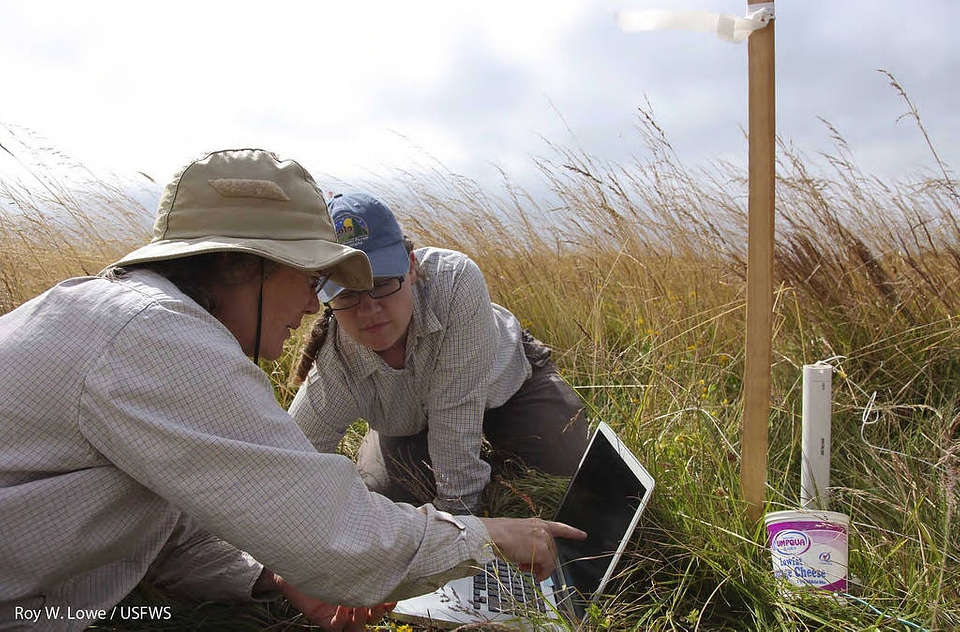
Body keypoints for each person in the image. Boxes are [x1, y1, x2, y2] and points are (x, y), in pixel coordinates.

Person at [0, 149, 586, 631]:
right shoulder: (158, 336)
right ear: (247, 266)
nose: (315, 306)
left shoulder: (128, 320)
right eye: (310, 280)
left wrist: (272, 576)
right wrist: (488, 538)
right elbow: (331, 531)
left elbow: (167, 525)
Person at [289, 192, 589, 516]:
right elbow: (290, 460)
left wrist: (464, 534)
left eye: (382, 282)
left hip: (506, 385)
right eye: (347, 293)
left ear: (412, 267)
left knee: (570, 468)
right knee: (389, 496)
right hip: (414, 423)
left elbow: (457, 469)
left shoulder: (455, 281)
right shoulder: (335, 358)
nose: (369, 309)